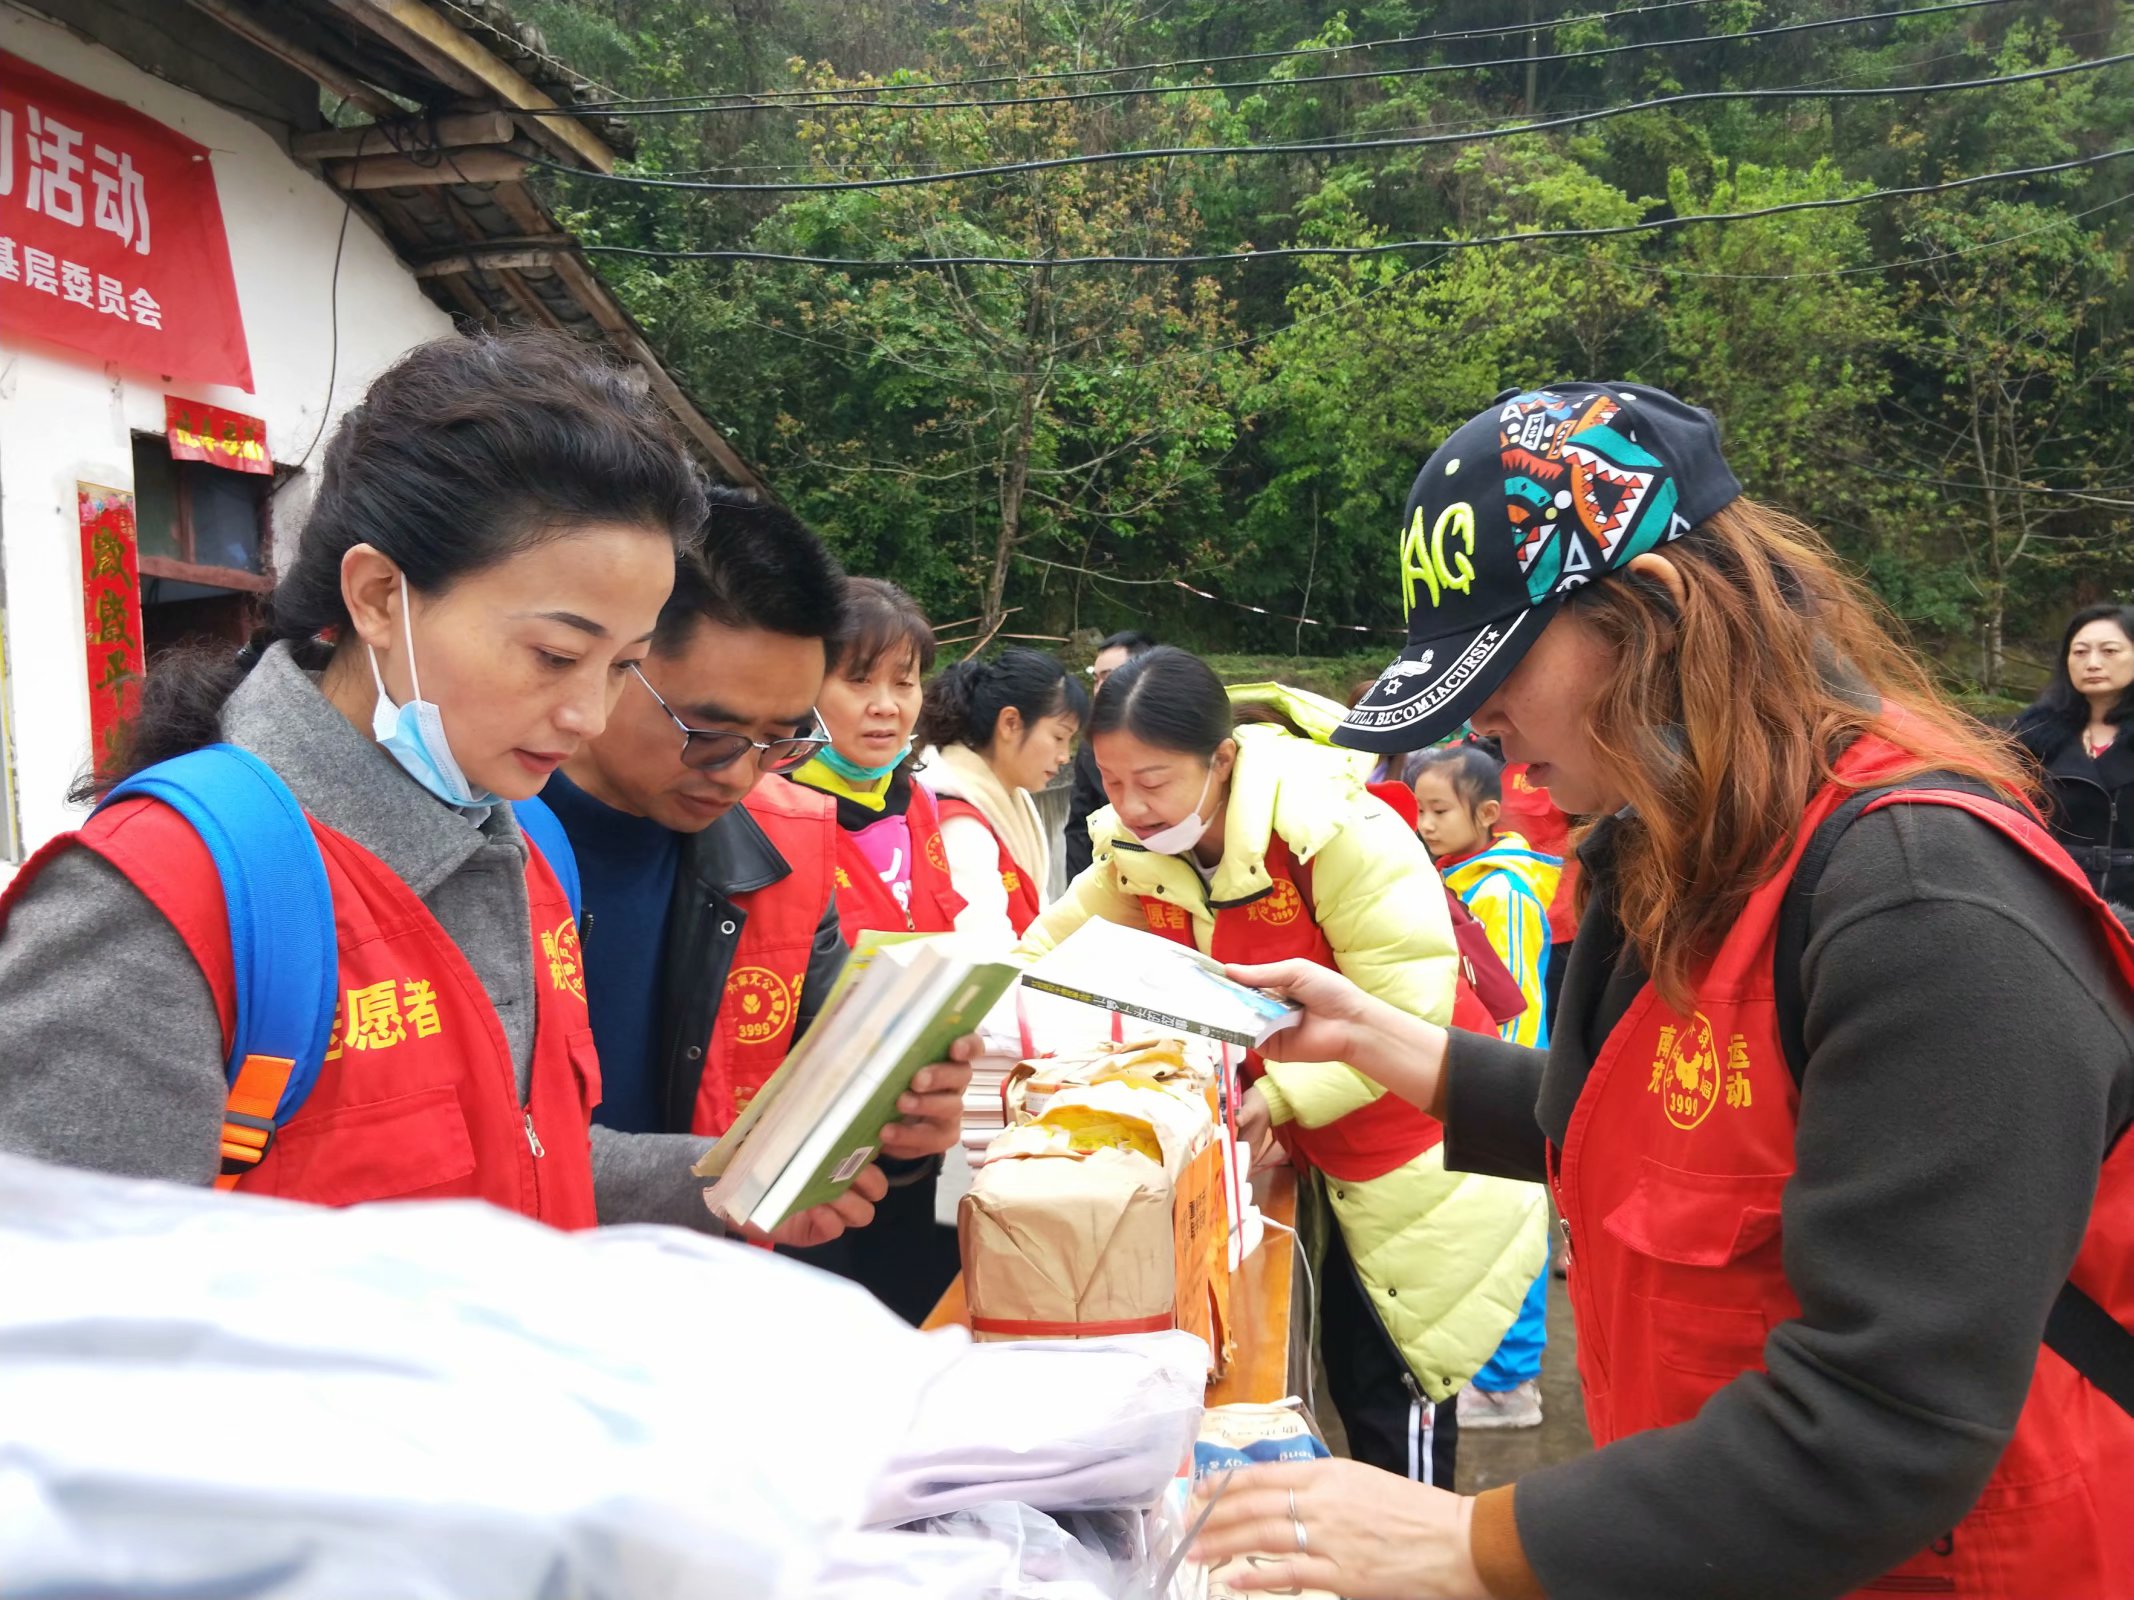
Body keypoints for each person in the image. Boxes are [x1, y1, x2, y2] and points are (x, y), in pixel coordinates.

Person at [1192, 383, 2134, 1600]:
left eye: (1501, 665)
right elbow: (1660, 1129)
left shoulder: (1923, 902)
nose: (1481, 720)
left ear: (1658, 615)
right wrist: (1381, 1039)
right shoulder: (1684, 842)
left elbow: (1889, 1420)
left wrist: (1465, 1542)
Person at [0, 332, 870, 1245]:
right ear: (379, 596)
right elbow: (64, 1299)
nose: (587, 714)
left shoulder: (528, 844)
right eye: (556, 655)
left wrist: (731, 1179)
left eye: (623, 666)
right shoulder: (163, 899)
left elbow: (530, 1155)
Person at [1022, 646, 1547, 1489]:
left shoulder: (1338, 831)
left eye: (1153, 781)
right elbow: (1047, 952)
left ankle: (1412, 1551)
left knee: (1394, 1394)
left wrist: (1282, 1094)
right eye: (1111, 782)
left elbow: (1408, 1014)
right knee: (1332, 1369)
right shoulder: (1136, 846)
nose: (1131, 806)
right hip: (1308, 1156)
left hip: (1412, 1152)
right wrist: (973, 1009)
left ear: (1222, 759)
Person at [539, 491, 971, 1314]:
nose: (740, 774)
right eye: (710, 733)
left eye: (781, 738)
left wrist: (903, 1127)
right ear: (616, 659)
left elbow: (827, 1076)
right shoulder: (488, 843)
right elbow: (493, 1142)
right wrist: (717, 1181)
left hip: (716, 1304)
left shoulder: (785, 847)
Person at [1408, 742, 1561, 1431]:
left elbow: (1516, 998)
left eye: (1440, 810)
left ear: (1489, 814)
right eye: (1420, 810)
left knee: (1512, 1233)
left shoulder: (1500, 891)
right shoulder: (1456, 877)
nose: (1426, 824)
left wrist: (1498, 1094)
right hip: (1474, 1079)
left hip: (1504, 1085)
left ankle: (1509, 1387)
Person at [787, 579, 964, 940]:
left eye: (903, 683)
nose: (886, 706)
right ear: (805, 688)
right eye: (859, 680)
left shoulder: (920, 804)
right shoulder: (769, 817)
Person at [916, 648, 1087, 942]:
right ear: (1010, 723)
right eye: (1059, 737)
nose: (1064, 756)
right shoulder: (959, 826)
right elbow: (985, 951)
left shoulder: (1007, 800)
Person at [2014, 604, 2134, 899]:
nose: (2092, 663)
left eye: (2109, 651)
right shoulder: (2033, 736)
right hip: (2055, 896)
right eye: (2080, 652)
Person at [1064, 630, 1156, 878]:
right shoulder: (1091, 748)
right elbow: (1079, 829)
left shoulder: (1179, 739)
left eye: (1109, 678)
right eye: (1096, 680)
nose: (1099, 690)